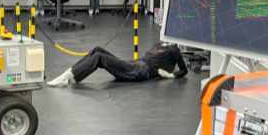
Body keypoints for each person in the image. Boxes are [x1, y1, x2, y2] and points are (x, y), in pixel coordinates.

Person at [47, 41, 188, 87]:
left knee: (99, 58)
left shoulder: (174, 50)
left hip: (141, 71)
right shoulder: (160, 43)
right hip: (137, 64)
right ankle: (73, 77)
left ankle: (65, 77)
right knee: (97, 49)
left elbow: (184, 71)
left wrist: (169, 75)